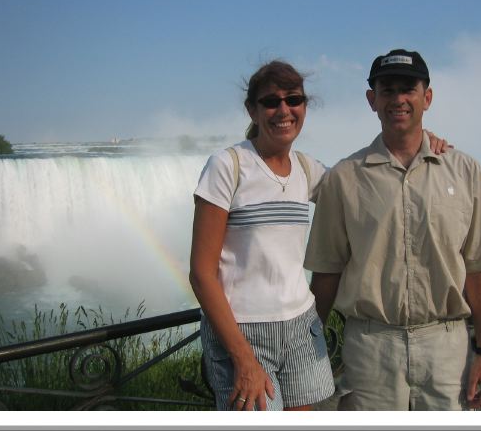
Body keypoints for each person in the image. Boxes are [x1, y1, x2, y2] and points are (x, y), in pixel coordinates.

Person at [189, 60, 451, 411]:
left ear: (304, 107)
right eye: (270, 102)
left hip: (300, 326)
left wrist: (419, 142)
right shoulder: (228, 167)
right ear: (252, 109)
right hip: (244, 331)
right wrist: (242, 357)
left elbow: (365, 182)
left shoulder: (306, 170)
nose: (284, 110)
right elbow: (201, 274)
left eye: (293, 100)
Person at [304, 49, 481, 411]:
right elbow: (326, 271)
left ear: (427, 98)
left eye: (408, 89)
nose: (398, 99)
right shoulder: (344, 178)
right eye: (387, 90)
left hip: (447, 349)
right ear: (372, 100)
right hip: (370, 351)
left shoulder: (465, 172)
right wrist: (309, 348)